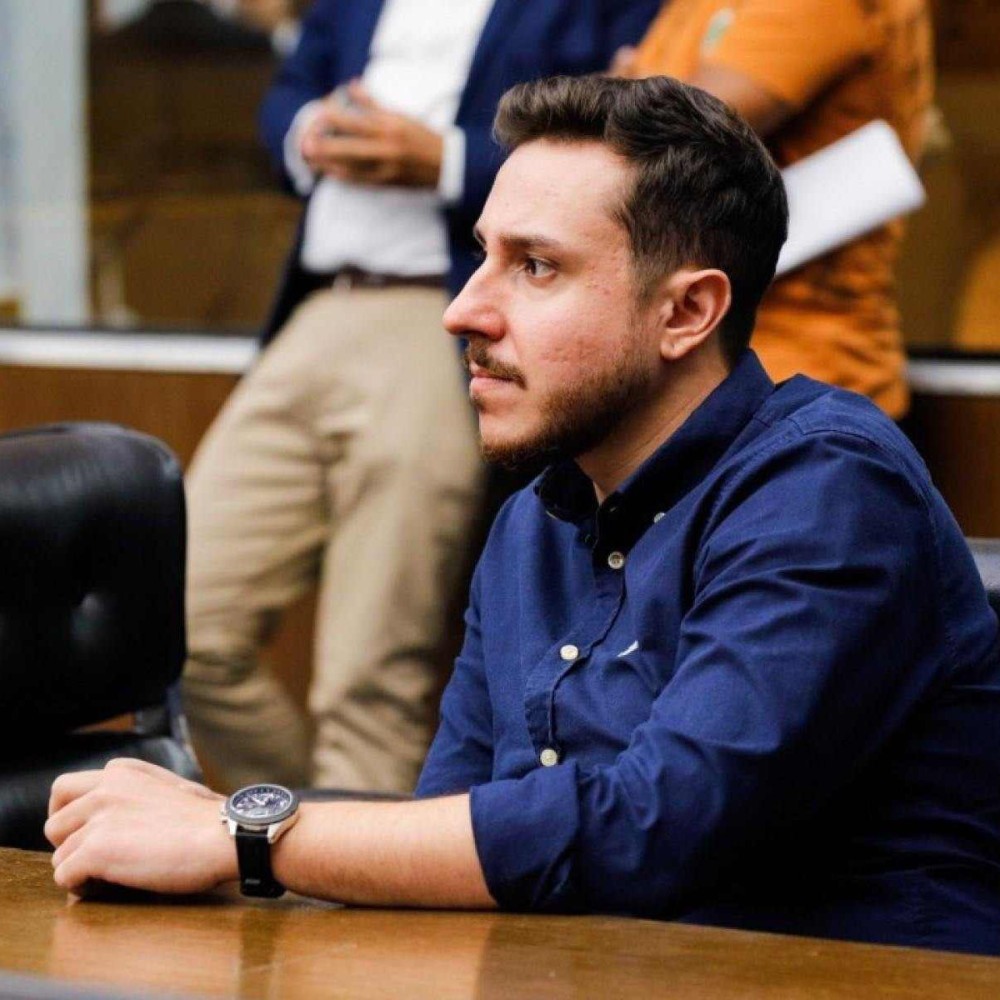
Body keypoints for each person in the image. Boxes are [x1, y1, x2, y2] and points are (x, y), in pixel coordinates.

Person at [47, 76, 1000, 955]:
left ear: (686, 313)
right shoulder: (533, 526)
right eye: (483, 257)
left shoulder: (826, 485)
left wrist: (244, 834)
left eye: (536, 267)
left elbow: (655, 827)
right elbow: (456, 838)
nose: (464, 310)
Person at [180, 0, 660, 793]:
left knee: (369, 676)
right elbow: (288, 89)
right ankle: (304, 829)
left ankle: (349, 863)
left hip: (446, 315)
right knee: (180, 625)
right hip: (320, 306)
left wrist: (442, 160)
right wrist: (309, 133)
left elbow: (625, 159)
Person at [613, 0, 934, 420]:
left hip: (793, 382)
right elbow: (621, 119)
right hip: (699, 364)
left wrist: (626, 94)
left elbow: (665, 139)